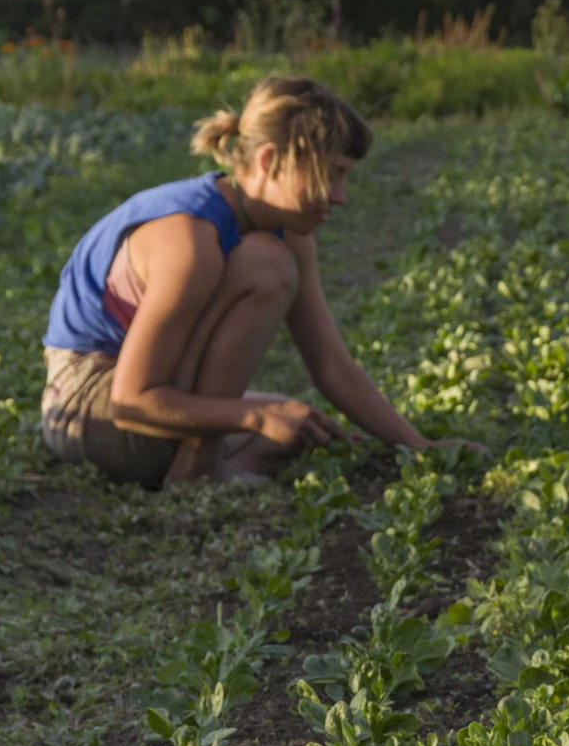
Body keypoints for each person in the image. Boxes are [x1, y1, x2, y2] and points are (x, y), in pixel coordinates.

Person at [40, 75, 447, 488]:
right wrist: (254, 417)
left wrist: (420, 447)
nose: (341, 195)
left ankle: (219, 454)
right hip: (87, 411)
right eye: (332, 173)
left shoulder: (287, 231)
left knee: (302, 424)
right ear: (270, 161)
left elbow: (331, 366)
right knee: (266, 268)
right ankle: (195, 471)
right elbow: (129, 403)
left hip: (133, 404)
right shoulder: (190, 241)